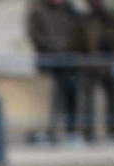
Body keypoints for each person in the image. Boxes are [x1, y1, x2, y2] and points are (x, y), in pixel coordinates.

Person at [27, 0, 82, 141]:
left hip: (68, 62)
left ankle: (71, 132)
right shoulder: (37, 11)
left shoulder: (69, 11)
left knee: (71, 96)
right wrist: (56, 49)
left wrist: (69, 50)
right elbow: (35, 35)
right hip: (49, 63)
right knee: (51, 100)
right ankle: (51, 132)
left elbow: (78, 32)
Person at [80, 0, 114, 142]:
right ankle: (88, 134)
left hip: (109, 65)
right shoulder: (83, 21)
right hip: (90, 66)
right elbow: (77, 44)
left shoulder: (112, 20)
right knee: (88, 101)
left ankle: (113, 132)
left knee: (113, 100)